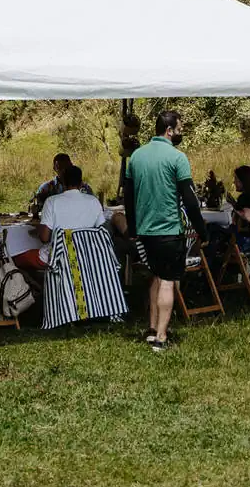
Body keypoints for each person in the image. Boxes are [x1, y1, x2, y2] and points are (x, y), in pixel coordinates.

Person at [123, 109, 207, 353]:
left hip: (145, 231)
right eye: (179, 129)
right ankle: (161, 337)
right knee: (169, 281)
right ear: (169, 131)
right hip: (169, 230)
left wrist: (133, 227)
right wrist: (202, 231)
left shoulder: (136, 157)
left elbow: (128, 196)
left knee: (156, 277)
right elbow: (190, 201)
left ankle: (151, 328)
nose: (180, 133)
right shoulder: (177, 157)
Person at [15, 163, 105, 272]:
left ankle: (31, 287)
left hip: (56, 258)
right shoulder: (94, 201)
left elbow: (44, 238)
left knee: (17, 258)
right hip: (86, 256)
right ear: (81, 184)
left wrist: (39, 229)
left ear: (63, 183)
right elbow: (101, 231)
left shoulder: (52, 202)